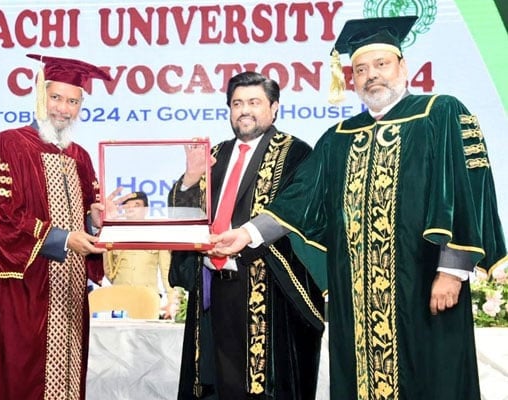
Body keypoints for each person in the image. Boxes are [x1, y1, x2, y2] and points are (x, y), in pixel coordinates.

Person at [211, 16, 507, 400]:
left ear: (404, 67)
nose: (371, 76)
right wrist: (247, 233)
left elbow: (468, 189)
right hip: (357, 296)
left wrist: (452, 270)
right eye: (360, 69)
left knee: (434, 378)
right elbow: (300, 198)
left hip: (424, 284)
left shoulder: (439, 113)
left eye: (381, 65)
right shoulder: (339, 138)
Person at [168, 71, 325, 399]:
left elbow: (300, 210)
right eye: (237, 103)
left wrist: (248, 234)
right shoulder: (216, 155)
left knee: (264, 387)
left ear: (275, 107)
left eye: (254, 102)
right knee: (216, 383)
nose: (244, 110)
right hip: (213, 291)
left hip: (268, 293)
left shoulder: (296, 154)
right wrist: (189, 180)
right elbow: (183, 218)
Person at [0, 54, 110, 400]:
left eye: (73, 101)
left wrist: (98, 222)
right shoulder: (8, 144)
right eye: (56, 98)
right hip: (21, 287)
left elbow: (88, 224)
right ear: (39, 97)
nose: (63, 108)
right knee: (18, 377)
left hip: (70, 291)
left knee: (66, 375)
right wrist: (61, 239)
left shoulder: (80, 156)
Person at [102, 191, 176, 317]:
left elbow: (166, 271)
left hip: (148, 300)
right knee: (118, 336)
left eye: (137, 205)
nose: (131, 209)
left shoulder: (156, 235)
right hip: (120, 300)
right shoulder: (113, 234)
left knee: (147, 336)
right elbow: (108, 269)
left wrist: (172, 301)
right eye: (128, 205)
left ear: (146, 210)